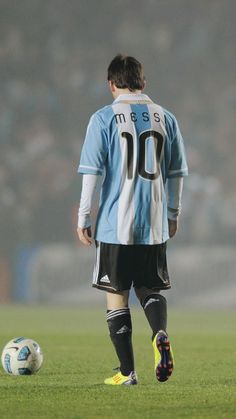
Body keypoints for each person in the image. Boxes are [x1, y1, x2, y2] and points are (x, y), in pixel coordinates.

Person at [77, 54, 188, 385]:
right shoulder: (165, 117)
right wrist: (172, 213)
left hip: (116, 222)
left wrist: (84, 215)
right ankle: (160, 333)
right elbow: (176, 172)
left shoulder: (103, 118)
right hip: (153, 221)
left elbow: (91, 173)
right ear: (144, 83)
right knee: (149, 287)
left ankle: (127, 373)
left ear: (111, 84)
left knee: (117, 294)